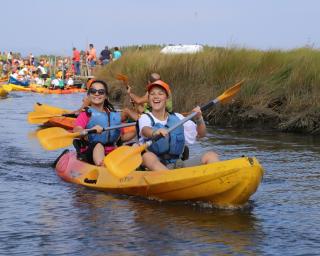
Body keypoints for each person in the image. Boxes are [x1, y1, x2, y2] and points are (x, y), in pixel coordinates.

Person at [138, 80, 219, 171]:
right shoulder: (144, 117)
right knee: (147, 156)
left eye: (160, 94)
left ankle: (221, 180)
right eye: (152, 94)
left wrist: (199, 119)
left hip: (178, 164)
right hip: (156, 167)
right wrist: (155, 132)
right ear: (148, 98)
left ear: (166, 98)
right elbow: (145, 130)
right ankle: (168, 178)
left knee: (211, 156)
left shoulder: (178, 118)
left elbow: (201, 134)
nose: (156, 96)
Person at [73, 80, 134, 166]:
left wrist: (136, 130)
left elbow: (122, 138)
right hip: (91, 152)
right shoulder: (86, 114)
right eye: (93, 91)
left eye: (101, 92)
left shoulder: (114, 116)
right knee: (98, 145)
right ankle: (102, 166)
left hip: (112, 151)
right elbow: (77, 130)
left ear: (106, 96)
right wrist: (89, 130)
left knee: (130, 146)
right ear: (89, 95)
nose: (96, 94)